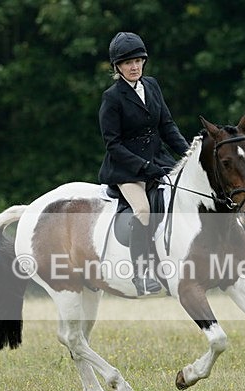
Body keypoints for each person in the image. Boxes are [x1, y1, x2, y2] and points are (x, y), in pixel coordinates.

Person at [98, 31, 190, 296]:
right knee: (143, 210)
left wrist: (187, 155)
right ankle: (141, 273)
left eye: (138, 60)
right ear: (118, 67)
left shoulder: (152, 85)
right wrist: (143, 167)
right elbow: (113, 144)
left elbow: (167, 125)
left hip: (159, 160)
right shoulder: (112, 98)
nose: (134, 66)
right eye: (128, 63)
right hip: (126, 169)